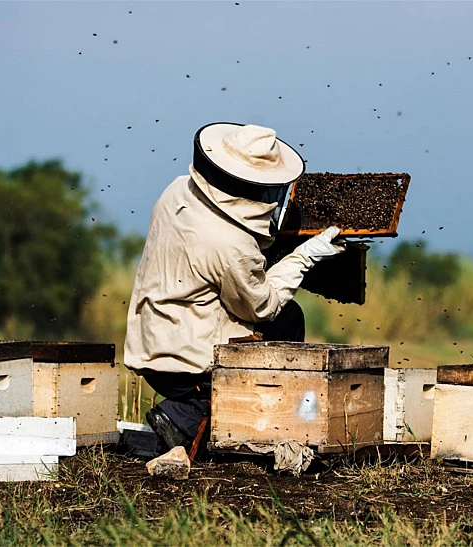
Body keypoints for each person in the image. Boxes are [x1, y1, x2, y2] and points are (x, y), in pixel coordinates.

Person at [124, 122, 345, 451]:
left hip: (151, 346)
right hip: (190, 368)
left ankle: (193, 409)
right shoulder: (229, 244)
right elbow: (263, 307)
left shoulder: (177, 190)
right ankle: (193, 413)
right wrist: (305, 256)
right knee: (287, 319)